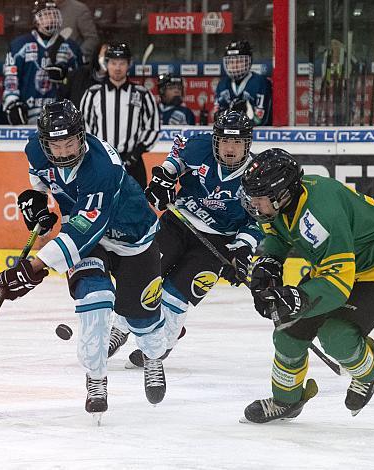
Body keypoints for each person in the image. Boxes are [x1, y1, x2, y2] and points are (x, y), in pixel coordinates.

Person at [0, 100, 168, 417]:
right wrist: (39, 203)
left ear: (81, 137)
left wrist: (34, 267)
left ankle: (154, 356)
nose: (64, 151)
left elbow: (85, 230)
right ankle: (96, 376)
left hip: (133, 238)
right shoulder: (35, 149)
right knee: (95, 300)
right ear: (45, 142)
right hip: (90, 239)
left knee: (144, 321)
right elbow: (43, 180)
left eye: (70, 142)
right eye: (56, 145)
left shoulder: (102, 168)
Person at [238, 148, 374, 423]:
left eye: (259, 199)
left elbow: (338, 282)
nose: (255, 205)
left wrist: (298, 298)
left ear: (281, 194)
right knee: (287, 333)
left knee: (336, 336)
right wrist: (268, 262)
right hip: (340, 264)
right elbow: (279, 236)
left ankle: (370, 370)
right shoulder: (284, 205)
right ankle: (286, 400)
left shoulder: (319, 213)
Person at [109, 111, 263, 367]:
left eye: (237, 143)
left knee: (176, 295)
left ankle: (163, 342)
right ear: (215, 141)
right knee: (144, 276)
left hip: (217, 244)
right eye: (225, 141)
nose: (230, 149)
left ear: (248, 144)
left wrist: (243, 249)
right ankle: (120, 328)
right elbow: (176, 162)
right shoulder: (200, 147)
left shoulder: (255, 176)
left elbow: (258, 221)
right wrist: (164, 179)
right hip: (178, 223)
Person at [79, 42, 160, 189]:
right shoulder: (92, 94)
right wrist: (96, 153)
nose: (117, 68)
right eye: (113, 63)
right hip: (101, 162)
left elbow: (152, 127)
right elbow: (84, 128)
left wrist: (136, 153)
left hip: (133, 164)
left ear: (129, 64)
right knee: (101, 206)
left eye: (122, 63)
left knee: (135, 208)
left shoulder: (141, 94)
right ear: (106, 64)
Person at [2, 1, 82, 125]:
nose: (51, 18)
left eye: (54, 14)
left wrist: (66, 76)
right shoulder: (19, 45)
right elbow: (11, 79)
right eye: (46, 15)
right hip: (28, 112)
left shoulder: (71, 47)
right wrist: (12, 103)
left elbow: (79, 81)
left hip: (60, 115)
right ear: (36, 19)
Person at [213, 40, 272, 126]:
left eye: (239, 61)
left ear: (249, 61)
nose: (235, 65)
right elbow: (217, 118)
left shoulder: (260, 83)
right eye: (231, 62)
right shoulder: (222, 84)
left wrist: (246, 112)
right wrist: (228, 113)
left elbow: (259, 120)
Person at [57, 42, 107, 109]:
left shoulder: (119, 81)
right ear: (97, 55)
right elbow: (61, 99)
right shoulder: (76, 75)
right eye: (105, 54)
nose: (107, 59)